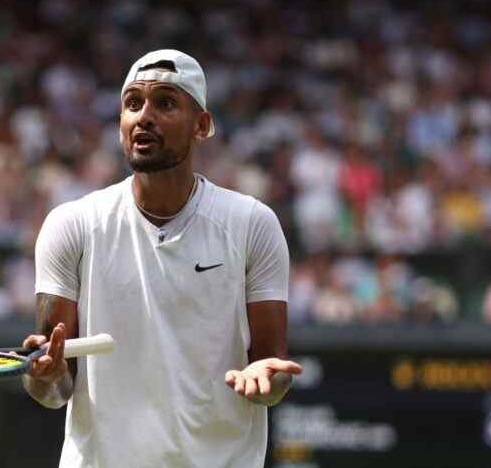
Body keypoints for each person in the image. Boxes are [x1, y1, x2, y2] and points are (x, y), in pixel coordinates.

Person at [21, 49, 302, 467]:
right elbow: (56, 387)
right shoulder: (71, 225)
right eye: (133, 104)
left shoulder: (252, 224)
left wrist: (267, 382)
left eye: (165, 103)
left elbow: (270, 369)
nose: (143, 117)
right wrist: (42, 376)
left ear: (201, 125)